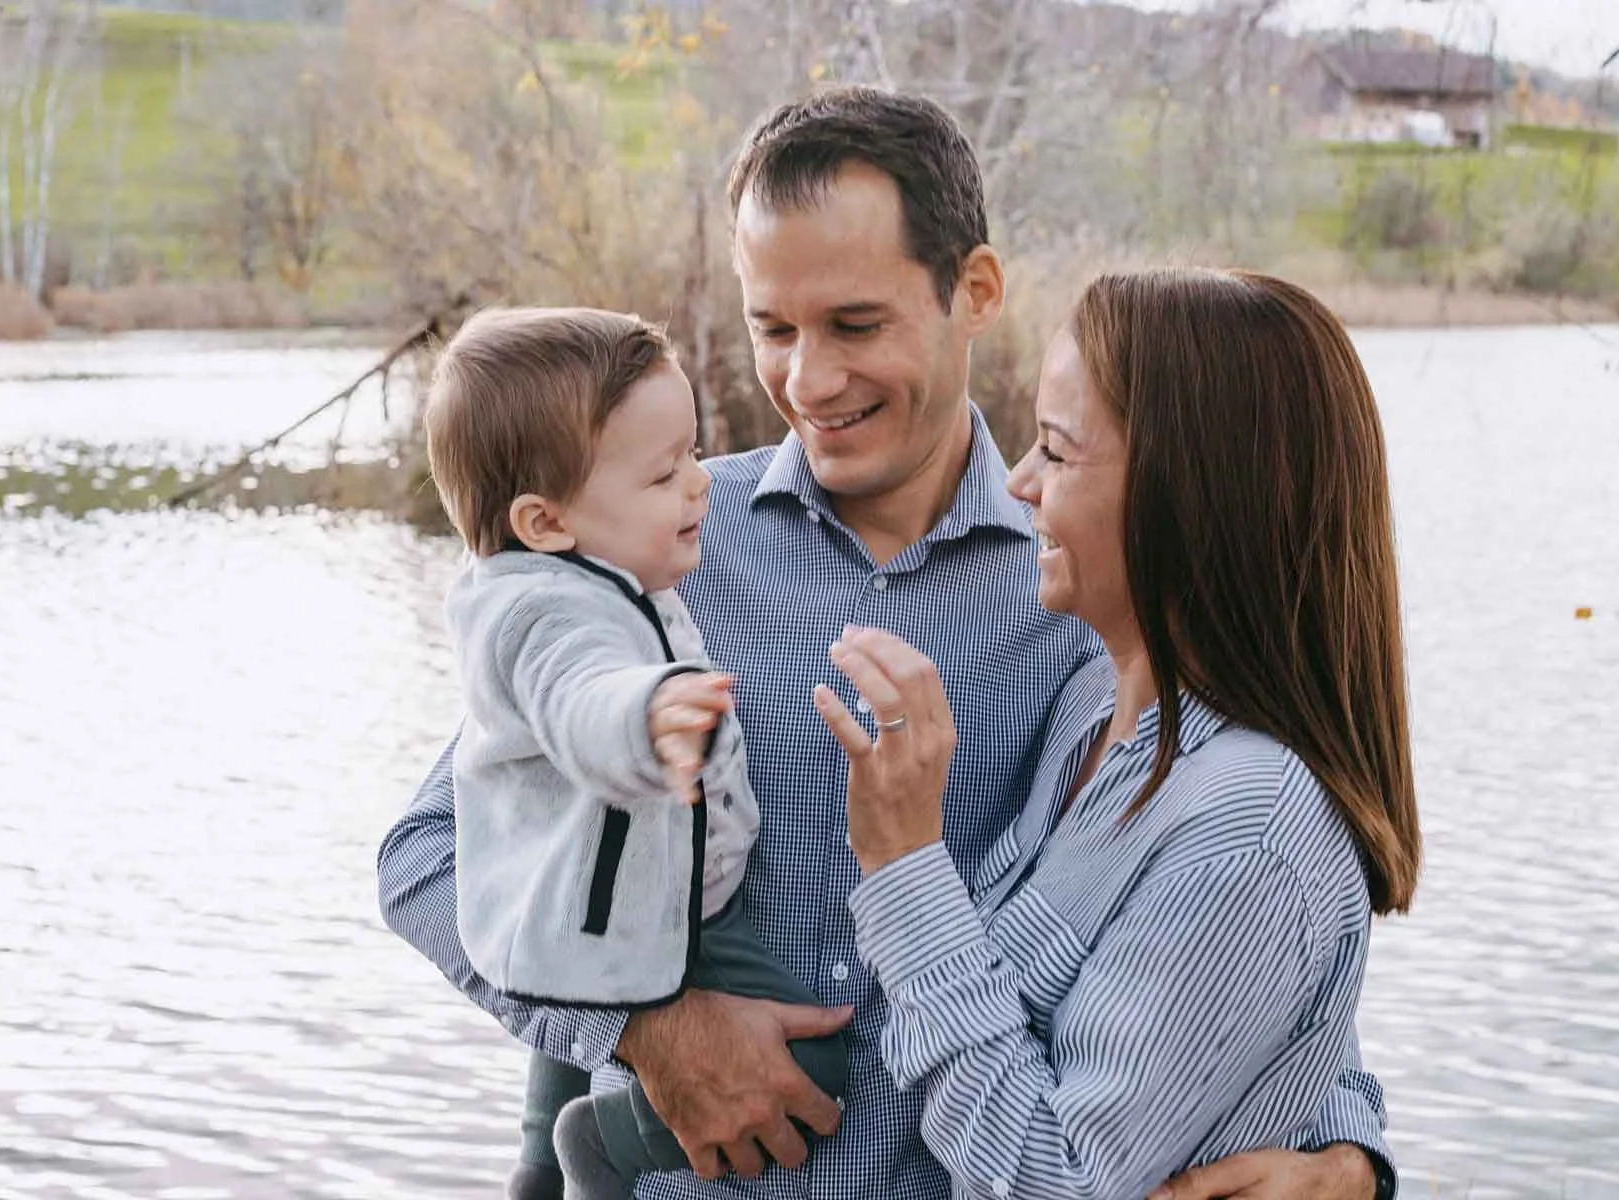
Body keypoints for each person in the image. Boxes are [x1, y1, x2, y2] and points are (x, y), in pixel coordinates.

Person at [377, 86, 1399, 1200]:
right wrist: (644, 1031)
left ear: (975, 291)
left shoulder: (1087, 596)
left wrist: (1348, 1161)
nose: (808, 381)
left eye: (856, 326)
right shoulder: (660, 544)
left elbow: (1230, 956)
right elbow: (436, 855)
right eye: (774, 330)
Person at [810, 267, 1423, 1199]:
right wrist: (1351, 1160)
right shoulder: (1095, 702)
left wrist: (905, 866)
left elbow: (1062, 1182)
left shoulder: (1251, 827)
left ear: (1192, 495)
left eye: (1057, 453)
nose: (1018, 483)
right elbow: (1254, 1024)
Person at [421, 306, 847, 1199]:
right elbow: (581, 694)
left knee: (573, 993)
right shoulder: (542, 613)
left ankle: (538, 1163)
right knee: (816, 1065)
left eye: (695, 455)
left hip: (594, 907)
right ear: (544, 520)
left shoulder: (597, 566)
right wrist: (647, 715)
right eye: (665, 473)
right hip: (649, 908)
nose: (700, 486)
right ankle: (599, 1145)